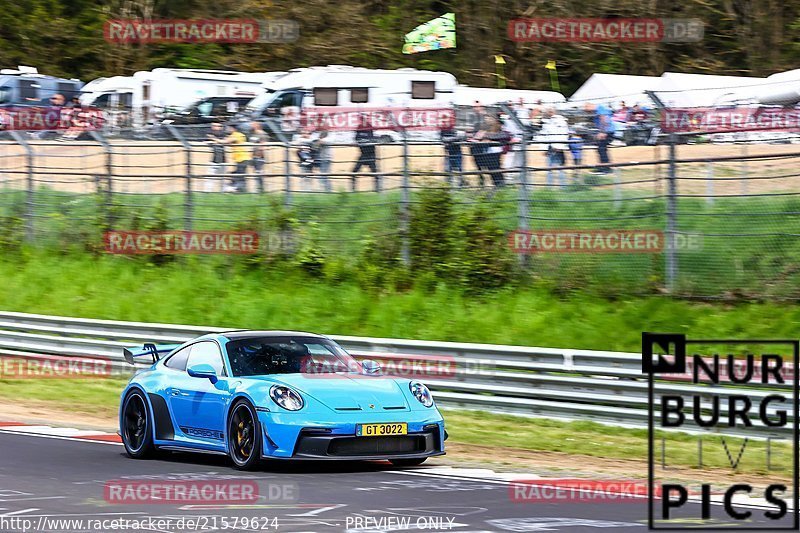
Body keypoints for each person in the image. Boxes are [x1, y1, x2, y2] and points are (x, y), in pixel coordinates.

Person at [474, 116, 510, 188]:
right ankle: (497, 186)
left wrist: (486, 136)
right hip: (487, 154)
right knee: (491, 171)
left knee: (496, 171)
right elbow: (476, 137)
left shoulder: (502, 133)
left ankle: (500, 186)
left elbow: (505, 136)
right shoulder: (486, 131)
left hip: (495, 154)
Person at [540, 107, 570, 189]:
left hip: (557, 147)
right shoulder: (546, 122)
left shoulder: (560, 121)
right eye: (548, 111)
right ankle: (550, 187)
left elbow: (564, 134)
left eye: (550, 111)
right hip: (550, 146)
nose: (549, 113)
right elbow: (544, 135)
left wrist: (560, 146)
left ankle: (562, 187)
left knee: (558, 168)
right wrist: (544, 148)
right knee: (551, 168)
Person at [584, 102, 615, 174]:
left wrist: (602, 132)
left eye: (587, 109)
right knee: (600, 149)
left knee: (602, 149)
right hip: (605, 131)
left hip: (607, 131)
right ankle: (602, 167)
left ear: (590, 106)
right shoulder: (598, 110)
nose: (588, 112)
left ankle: (606, 169)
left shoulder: (600, 108)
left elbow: (603, 120)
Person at [352, 115, 379, 192]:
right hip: (363, 153)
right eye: (361, 119)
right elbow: (356, 138)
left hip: (370, 153)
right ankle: (353, 190)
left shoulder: (369, 126)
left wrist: (363, 140)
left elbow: (370, 138)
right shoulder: (359, 127)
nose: (362, 121)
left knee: (375, 172)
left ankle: (377, 189)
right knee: (354, 171)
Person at [468, 102, 489, 187]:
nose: (475, 108)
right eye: (474, 107)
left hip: (481, 142)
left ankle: (488, 178)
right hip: (474, 143)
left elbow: (485, 129)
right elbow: (470, 128)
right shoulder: (472, 117)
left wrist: (476, 137)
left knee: (484, 161)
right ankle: (481, 178)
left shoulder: (485, 117)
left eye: (477, 107)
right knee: (476, 161)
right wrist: (469, 136)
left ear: (481, 107)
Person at [225, 124, 248, 192]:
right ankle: (239, 189)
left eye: (229, 128)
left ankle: (238, 189)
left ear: (233, 129)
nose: (228, 129)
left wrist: (214, 138)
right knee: (236, 174)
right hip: (239, 159)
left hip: (242, 158)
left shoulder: (238, 135)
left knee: (239, 175)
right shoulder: (235, 135)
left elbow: (225, 141)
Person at [206, 122, 227, 192]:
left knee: (223, 178)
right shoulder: (210, 134)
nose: (214, 127)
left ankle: (222, 191)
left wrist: (214, 139)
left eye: (217, 126)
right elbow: (208, 142)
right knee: (209, 177)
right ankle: (207, 191)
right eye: (213, 126)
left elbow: (224, 142)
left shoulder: (223, 134)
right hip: (214, 160)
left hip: (223, 160)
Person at [249, 121, 267, 193]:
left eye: (253, 124)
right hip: (253, 156)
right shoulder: (253, 134)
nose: (251, 125)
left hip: (259, 157)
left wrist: (259, 154)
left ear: (257, 125)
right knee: (256, 173)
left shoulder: (262, 134)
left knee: (259, 173)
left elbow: (263, 145)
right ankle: (258, 189)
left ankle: (261, 189)